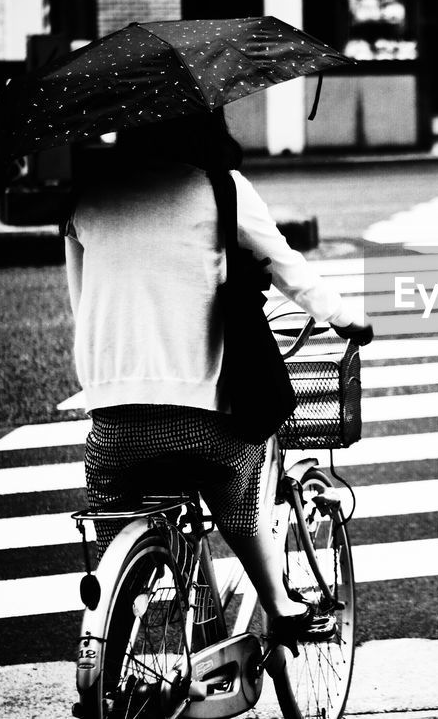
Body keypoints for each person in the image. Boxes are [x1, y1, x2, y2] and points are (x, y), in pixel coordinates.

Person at [65, 109, 371, 646]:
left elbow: (82, 300)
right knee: (241, 474)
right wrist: (348, 318)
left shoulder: (89, 197)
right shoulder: (220, 189)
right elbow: (287, 268)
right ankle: (280, 604)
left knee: (118, 539)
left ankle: (120, 639)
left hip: (111, 422)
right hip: (200, 421)